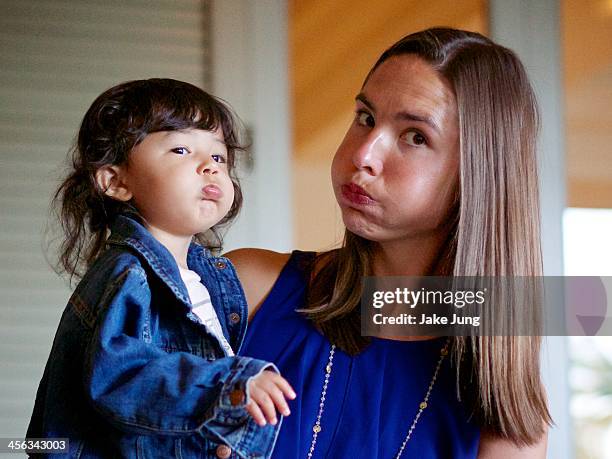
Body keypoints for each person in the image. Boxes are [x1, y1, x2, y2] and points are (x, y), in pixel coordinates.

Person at [228, 28, 551, 458]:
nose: (363, 154)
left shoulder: (505, 416)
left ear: (476, 178)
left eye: (415, 136)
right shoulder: (245, 289)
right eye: (366, 117)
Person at [27, 78, 295, 458]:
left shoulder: (209, 280)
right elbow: (118, 377)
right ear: (116, 180)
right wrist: (226, 384)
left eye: (219, 157)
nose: (210, 167)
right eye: (182, 149)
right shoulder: (129, 273)